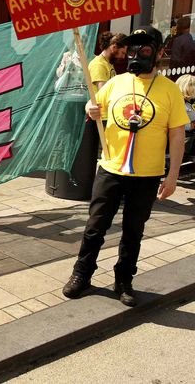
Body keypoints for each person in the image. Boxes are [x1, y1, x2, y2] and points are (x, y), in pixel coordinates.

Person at [62, 26, 189, 307]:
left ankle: (124, 280)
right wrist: (89, 109)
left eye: (144, 49)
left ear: (158, 52)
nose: (136, 54)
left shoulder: (169, 91)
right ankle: (81, 275)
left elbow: (177, 135)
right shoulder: (116, 83)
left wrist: (173, 176)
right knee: (95, 227)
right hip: (111, 169)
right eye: (132, 48)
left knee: (134, 230)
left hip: (146, 175)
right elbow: (94, 107)